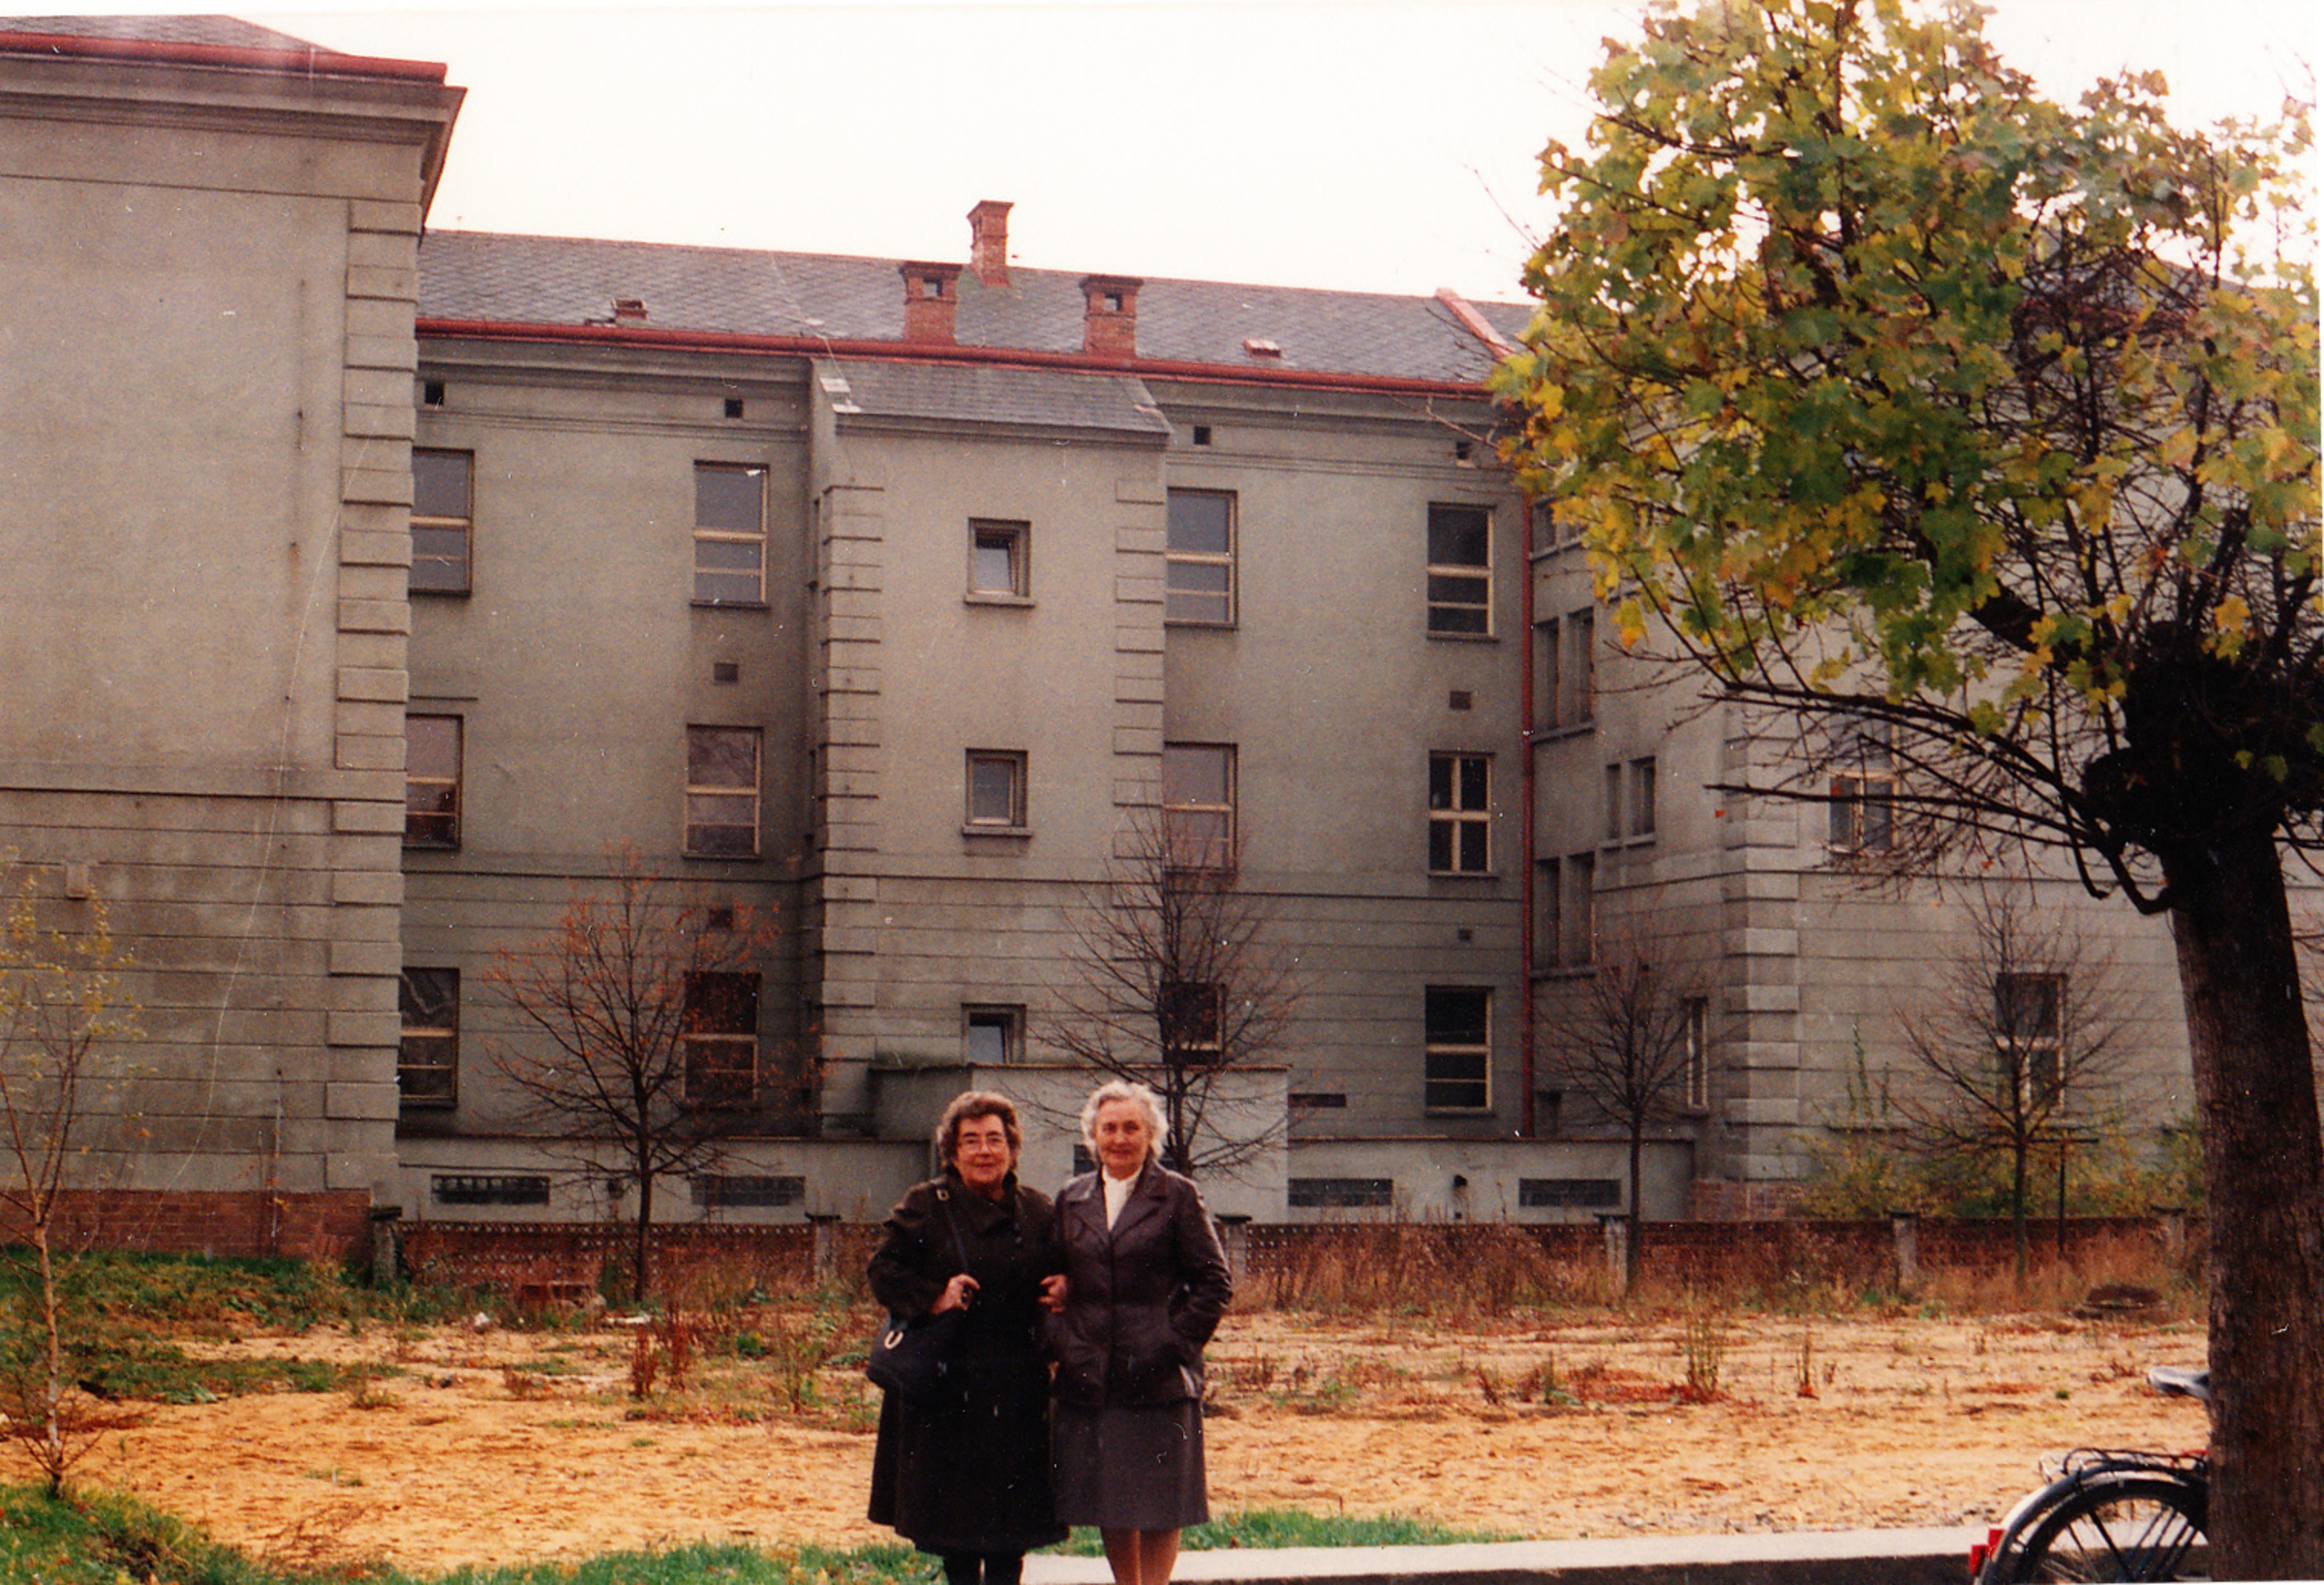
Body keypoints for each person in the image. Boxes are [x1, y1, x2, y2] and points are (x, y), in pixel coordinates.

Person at [868, 1091, 1066, 1585]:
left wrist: (1067, 1285)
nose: (984, 1151)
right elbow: (882, 1271)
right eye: (970, 1140)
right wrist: (934, 1297)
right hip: (947, 1386)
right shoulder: (926, 1205)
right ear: (952, 1153)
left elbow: (1065, 1269)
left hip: (1018, 1385)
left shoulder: (1039, 1210)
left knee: (1011, 1526)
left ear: (1012, 1148)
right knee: (955, 1528)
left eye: (994, 1139)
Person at [1049, 1080, 1235, 1585]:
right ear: (1092, 1136)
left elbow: (1215, 1283)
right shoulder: (1071, 1198)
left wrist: (1173, 1343)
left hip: (1158, 1377)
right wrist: (1064, 1342)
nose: (1119, 1138)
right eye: (1108, 1128)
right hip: (1094, 1376)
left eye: (1132, 1127)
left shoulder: (1177, 1195)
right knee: (1112, 1501)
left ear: (1151, 1135)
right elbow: (1048, 1281)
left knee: (1159, 1503)